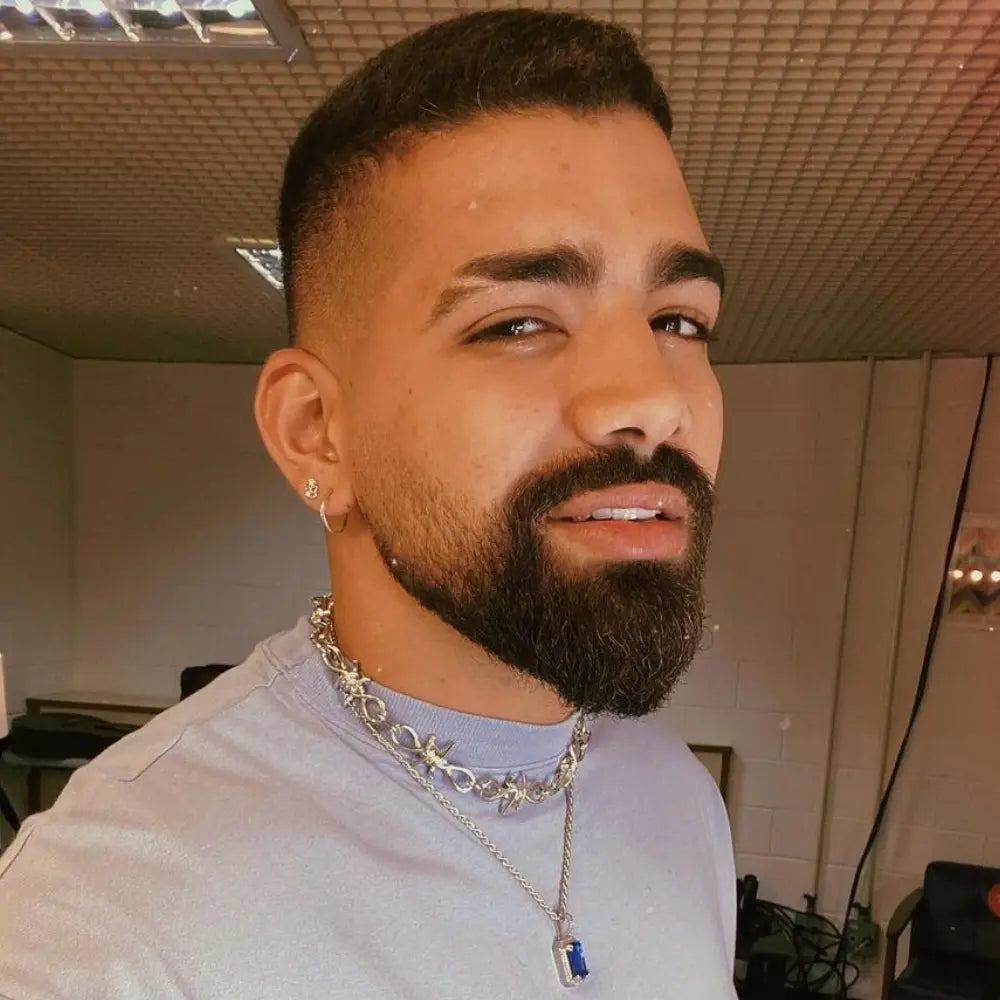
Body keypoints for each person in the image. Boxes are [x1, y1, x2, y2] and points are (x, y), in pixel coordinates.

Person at [0, 9, 735, 998]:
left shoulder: (680, 800)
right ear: (316, 432)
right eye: (517, 321)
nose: (652, 395)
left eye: (678, 318)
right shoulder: (110, 915)